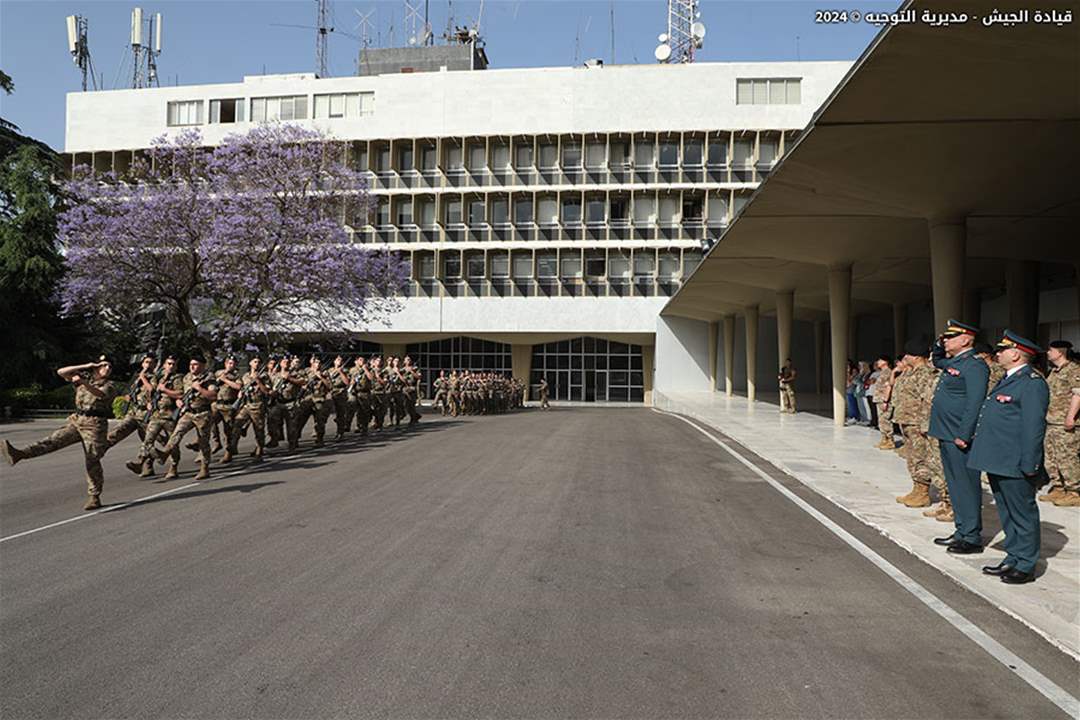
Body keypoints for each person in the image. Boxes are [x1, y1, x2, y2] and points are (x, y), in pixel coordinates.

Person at [966, 331, 1049, 584]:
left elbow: (1033, 428)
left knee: (1022, 514)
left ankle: (1025, 564)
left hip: (1015, 461)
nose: (997, 354)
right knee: (1007, 512)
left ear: (1015, 354)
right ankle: (1012, 557)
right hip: (998, 459)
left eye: (1002, 350)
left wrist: (1030, 463)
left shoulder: (1032, 383)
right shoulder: (1007, 379)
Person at [1, 356, 119, 510]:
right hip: (77, 420)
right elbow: (61, 371)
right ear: (96, 368)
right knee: (53, 440)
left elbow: (99, 394)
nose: (108, 369)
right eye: (104, 365)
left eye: (110, 367)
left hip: (95, 425)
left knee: (92, 459)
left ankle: (94, 496)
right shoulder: (83, 377)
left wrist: (83, 382)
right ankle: (20, 454)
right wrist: (86, 364)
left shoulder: (110, 385)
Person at [929, 319, 990, 554]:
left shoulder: (974, 366)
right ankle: (961, 530)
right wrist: (938, 342)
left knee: (966, 486)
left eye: (950, 337)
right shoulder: (955, 362)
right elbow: (937, 360)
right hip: (946, 433)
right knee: (954, 485)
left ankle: (972, 536)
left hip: (958, 435)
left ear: (965, 340)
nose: (946, 341)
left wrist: (964, 434)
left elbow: (975, 403)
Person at [891, 341, 947, 509]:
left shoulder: (927, 374)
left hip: (918, 423)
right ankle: (918, 489)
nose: (905, 358)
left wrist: (925, 424)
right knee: (914, 458)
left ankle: (930, 495)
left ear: (915, 357)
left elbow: (928, 400)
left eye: (907, 355)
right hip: (907, 421)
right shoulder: (909, 372)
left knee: (926, 459)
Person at [154, 354, 219, 480]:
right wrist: (179, 401)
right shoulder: (187, 378)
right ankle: (165, 453)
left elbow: (213, 395)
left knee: (203, 441)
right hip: (188, 412)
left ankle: (205, 468)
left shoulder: (209, 378)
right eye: (191, 364)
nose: (192, 367)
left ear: (202, 365)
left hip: (203, 413)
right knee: (177, 433)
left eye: (195, 364)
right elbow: (183, 394)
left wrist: (199, 388)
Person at [126, 354, 183, 479]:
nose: (171, 366)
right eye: (169, 363)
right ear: (164, 365)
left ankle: (173, 467)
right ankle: (141, 462)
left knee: (172, 443)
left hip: (169, 415)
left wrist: (165, 390)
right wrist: (148, 403)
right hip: (156, 415)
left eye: (173, 364)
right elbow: (151, 391)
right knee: (148, 440)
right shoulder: (158, 377)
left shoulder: (177, 378)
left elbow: (180, 394)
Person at [1041, 340, 1080, 506]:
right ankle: (1058, 487)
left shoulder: (1073, 370)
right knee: (1051, 458)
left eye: (1050, 350)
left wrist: (1071, 416)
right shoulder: (1054, 372)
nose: (1048, 353)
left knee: (1067, 458)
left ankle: (1073, 492)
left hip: (1065, 422)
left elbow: (1078, 394)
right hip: (1052, 421)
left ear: (1060, 352)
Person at [106, 353, 156, 451]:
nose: (148, 365)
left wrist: (143, 377)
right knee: (119, 430)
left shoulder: (154, 377)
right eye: (146, 362)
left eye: (151, 363)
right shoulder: (136, 377)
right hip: (133, 411)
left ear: (154, 365)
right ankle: (101, 447)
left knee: (147, 442)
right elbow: (130, 390)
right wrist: (128, 396)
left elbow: (151, 389)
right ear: (142, 364)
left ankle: (151, 461)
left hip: (146, 414)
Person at [231, 355, 270, 461]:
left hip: (258, 405)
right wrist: (240, 393)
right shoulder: (245, 376)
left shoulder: (264, 376)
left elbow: (266, 391)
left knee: (259, 429)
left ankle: (259, 450)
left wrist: (258, 381)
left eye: (258, 362)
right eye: (254, 361)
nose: (256, 363)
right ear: (250, 363)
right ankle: (232, 447)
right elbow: (239, 386)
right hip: (246, 404)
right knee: (237, 424)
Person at [871, 355, 894, 449]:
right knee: (881, 420)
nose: (878, 362)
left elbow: (888, 387)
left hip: (884, 400)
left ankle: (890, 441)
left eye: (880, 360)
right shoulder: (882, 372)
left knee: (885, 420)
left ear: (885, 362)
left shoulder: (888, 372)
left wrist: (885, 401)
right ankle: (884, 439)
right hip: (879, 399)